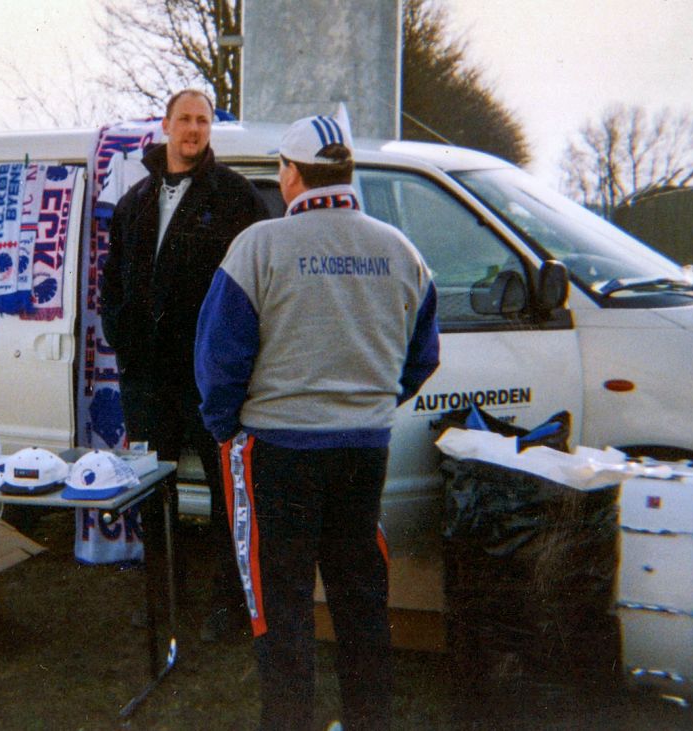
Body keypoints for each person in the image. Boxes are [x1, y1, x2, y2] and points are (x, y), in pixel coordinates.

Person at [193, 107, 441, 730]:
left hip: (278, 452)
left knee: (283, 603)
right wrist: (368, 403)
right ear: (347, 174)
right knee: (360, 599)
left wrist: (227, 427)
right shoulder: (402, 251)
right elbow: (423, 356)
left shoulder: (260, 246)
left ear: (291, 175)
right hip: (363, 451)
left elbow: (219, 358)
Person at [100, 89, 269, 641]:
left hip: (209, 379)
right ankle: (160, 597)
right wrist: (122, 337)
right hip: (146, 381)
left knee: (227, 496)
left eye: (202, 120)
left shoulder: (237, 197)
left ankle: (229, 604)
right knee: (153, 492)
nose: (193, 129)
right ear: (166, 126)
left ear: (209, 130)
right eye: (184, 120)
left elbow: (259, 286)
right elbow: (112, 281)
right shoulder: (135, 200)